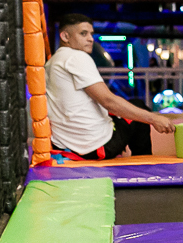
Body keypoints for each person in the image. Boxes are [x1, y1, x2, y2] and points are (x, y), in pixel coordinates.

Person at [45, 13, 173, 160]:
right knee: (139, 109)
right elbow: (108, 101)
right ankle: (144, 169)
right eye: (83, 34)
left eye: (91, 34)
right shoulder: (76, 57)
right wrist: (154, 118)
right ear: (65, 37)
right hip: (93, 146)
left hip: (68, 144)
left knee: (124, 113)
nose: (90, 39)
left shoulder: (52, 62)